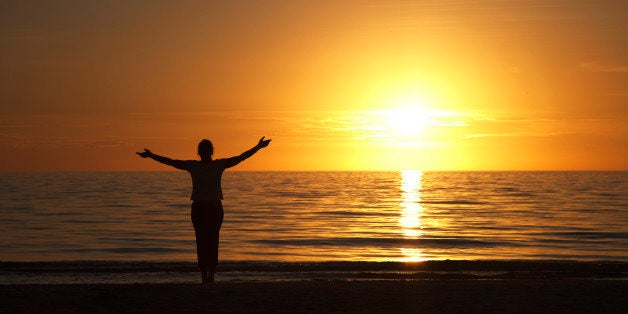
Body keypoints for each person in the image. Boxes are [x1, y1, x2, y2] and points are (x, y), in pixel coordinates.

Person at [136, 136, 271, 283]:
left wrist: (151, 155)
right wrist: (257, 147)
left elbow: (171, 162)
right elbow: (240, 157)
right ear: (211, 151)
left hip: (203, 207)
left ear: (199, 152)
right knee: (212, 241)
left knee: (202, 241)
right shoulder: (215, 165)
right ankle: (210, 276)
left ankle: (205, 275)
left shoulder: (199, 165)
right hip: (210, 207)